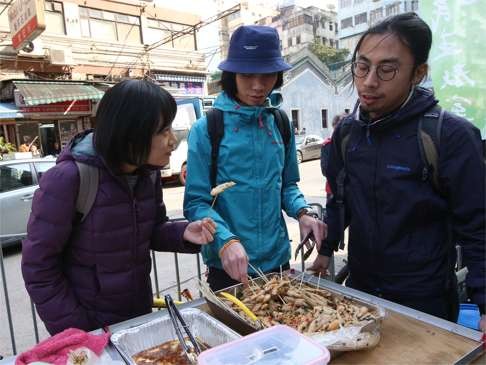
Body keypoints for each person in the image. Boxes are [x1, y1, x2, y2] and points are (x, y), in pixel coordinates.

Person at [310, 12, 485, 331]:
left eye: (387, 69)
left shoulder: (451, 137)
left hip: (424, 304)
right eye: (362, 67)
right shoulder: (348, 134)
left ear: (418, 73)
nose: (369, 81)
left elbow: (478, 228)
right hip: (361, 294)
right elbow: (340, 198)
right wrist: (325, 249)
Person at [22, 80, 216, 335]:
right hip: (89, 330)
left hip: (136, 319)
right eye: (164, 131)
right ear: (131, 133)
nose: (173, 141)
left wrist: (182, 233)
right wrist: (77, 331)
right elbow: (38, 266)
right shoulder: (69, 179)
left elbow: (152, 229)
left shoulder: (147, 174)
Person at [184, 25, 326, 291]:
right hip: (229, 266)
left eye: (268, 75)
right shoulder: (207, 129)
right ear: (232, 74)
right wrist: (225, 240)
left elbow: (287, 186)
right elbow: (196, 203)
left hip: (278, 261)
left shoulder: (280, 123)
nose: (258, 86)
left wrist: (303, 213)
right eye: (248, 75)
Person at [320, 113, 347, 200]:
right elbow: (325, 170)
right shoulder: (328, 146)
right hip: (333, 190)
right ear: (334, 128)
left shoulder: (355, 145)